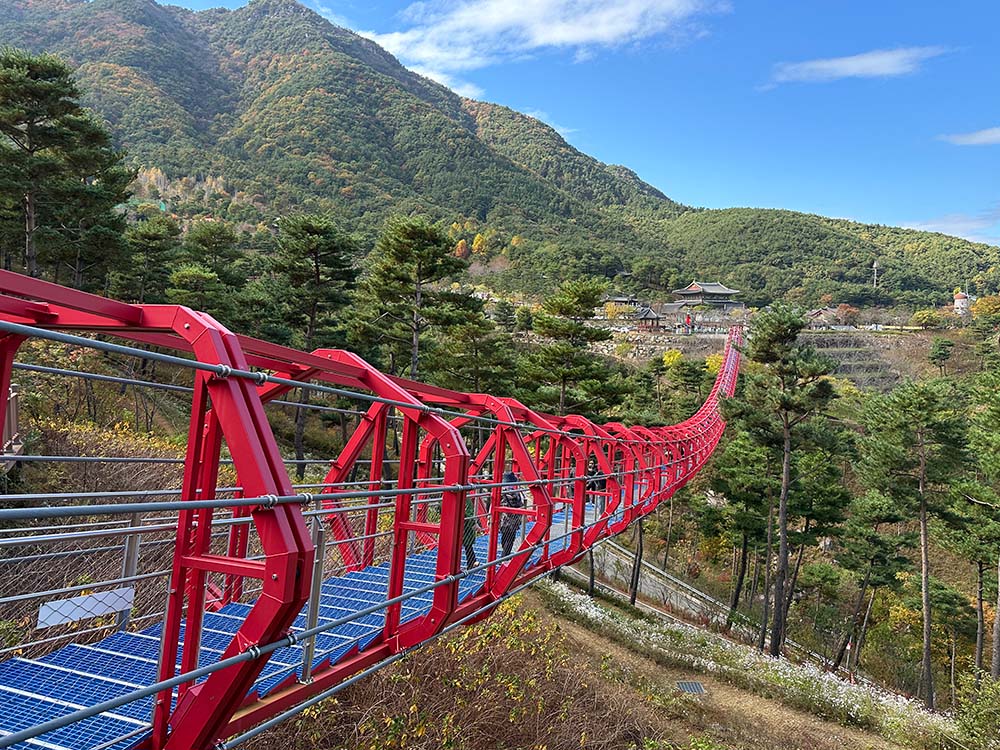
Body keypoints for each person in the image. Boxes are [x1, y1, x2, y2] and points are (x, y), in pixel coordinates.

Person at [499, 470, 525, 558]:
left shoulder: (500, 491)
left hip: (503, 518)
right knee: (510, 539)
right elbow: (520, 504)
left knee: (504, 536)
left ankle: (504, 554)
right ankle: (505, 556)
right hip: (513, 519)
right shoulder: (515, 492)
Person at [463, 492, 479, 569]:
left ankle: (472, 562)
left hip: (454, 524)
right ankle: (471, 562)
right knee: (468, 545)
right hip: (465, 525)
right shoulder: (466, 498)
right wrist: (473, 524)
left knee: (466, 545)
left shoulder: (447, 495)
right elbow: (469, 512)